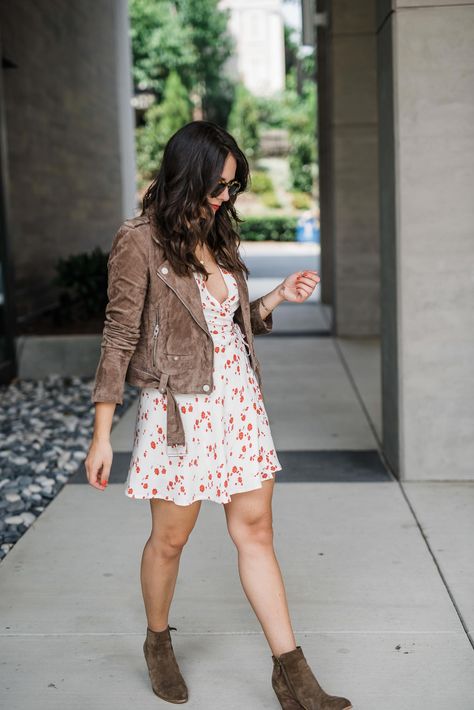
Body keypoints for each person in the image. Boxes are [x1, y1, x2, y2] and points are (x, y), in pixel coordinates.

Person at [85, 120, 352, 710]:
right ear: (188, 174)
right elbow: (118, 335)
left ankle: (292, 676)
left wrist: (278, 298)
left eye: (232, 187)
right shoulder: (140, 240)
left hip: (240, 404)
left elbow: (225, 327)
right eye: (218, 185)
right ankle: (158, 642)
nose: (225, 197)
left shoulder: (219, 234)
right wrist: (103, 433)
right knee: (171, 541)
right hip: (181, 409)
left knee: (255, 531)